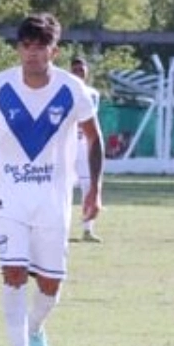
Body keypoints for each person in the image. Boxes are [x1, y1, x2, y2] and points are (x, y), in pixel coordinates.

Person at [0, 13, 103, 346]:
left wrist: (95, 189)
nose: (32, 54)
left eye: (40, 47)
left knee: (50, 285)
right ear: (18, 49)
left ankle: (36, 327)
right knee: (12, 275)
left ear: (53, 51)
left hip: (53, 200)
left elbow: (94, 138)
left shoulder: (72, 89)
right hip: (9, 196)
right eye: (26, 46)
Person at [70, 56, 104, 243]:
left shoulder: (92, 94)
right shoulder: (63, 91)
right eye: (75, 70)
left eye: (81, 71)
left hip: (84, 145)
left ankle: (88, 229)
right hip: (67, 145)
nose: (78, 74)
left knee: (89, 185)